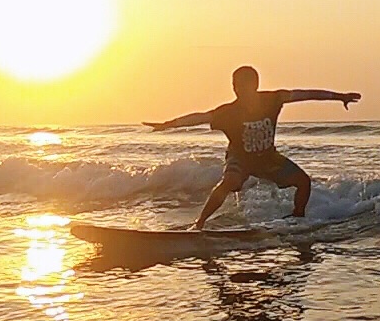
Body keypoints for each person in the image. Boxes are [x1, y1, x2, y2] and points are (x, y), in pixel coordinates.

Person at [146, 65, 361, 229]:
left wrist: (338, 96)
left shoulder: (273, 99)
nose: (237, 89)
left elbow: (305, 94)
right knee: (229, 182)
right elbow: (200, 117)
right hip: (239, 159)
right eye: (234, 85)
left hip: (268, 158)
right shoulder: (228, 111)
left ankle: (297, 218)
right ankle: (199, 224)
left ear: (254, 85)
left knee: (303, 182)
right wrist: (168, 124)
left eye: (241, 84)